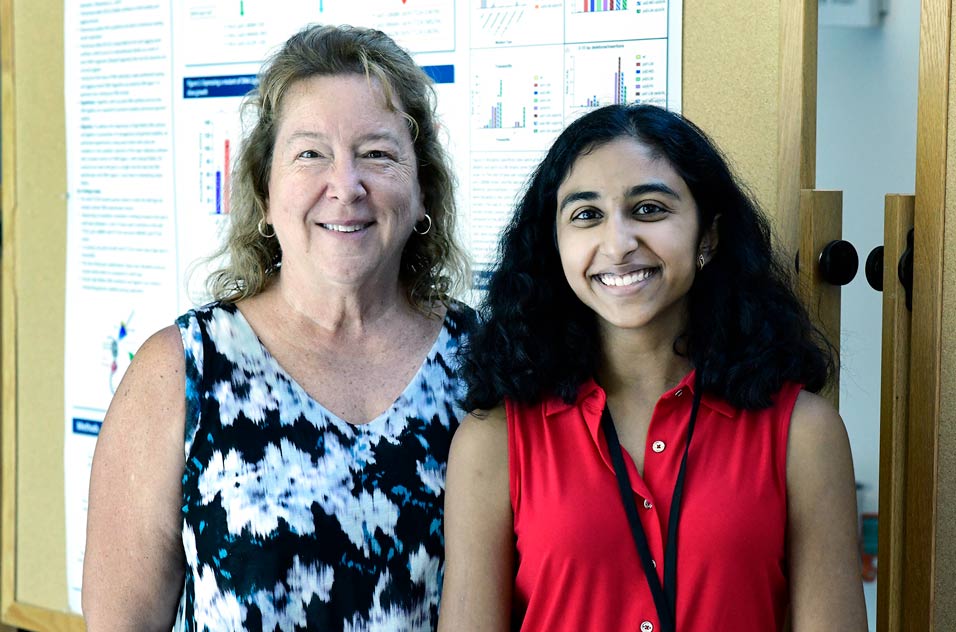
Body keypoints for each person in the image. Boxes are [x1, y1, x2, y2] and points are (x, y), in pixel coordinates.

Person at [83, 24, 472, 631]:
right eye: (310, 153)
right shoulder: (182, 372)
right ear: (265, 193)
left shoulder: (488, 365)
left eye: (377, 153)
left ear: (423, 189)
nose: (345, 187)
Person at [439, 104, 868, 632]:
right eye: (586, 215)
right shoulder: (493, 441)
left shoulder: (804, 434)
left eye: (648, 210)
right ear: (556, 245)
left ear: (707, 235)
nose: (618, 244)